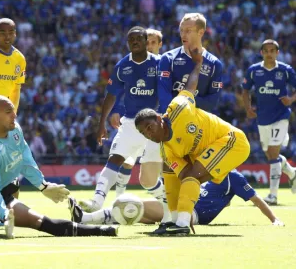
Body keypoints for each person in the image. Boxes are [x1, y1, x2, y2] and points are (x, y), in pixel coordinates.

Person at [134, 47, 250, 236]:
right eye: (143, 133)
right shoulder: (167, 150)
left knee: (192, 176)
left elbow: (190, 87)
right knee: (170, 172)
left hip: (232, 141)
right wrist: (186, 193)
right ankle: (170, 220)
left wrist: (198, 64)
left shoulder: (179, 108)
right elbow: (182, 177)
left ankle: (181, 223)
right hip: (210, 151)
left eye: (149, 127)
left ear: (159, 118)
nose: (148, 134)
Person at [79, 27, 170, 222]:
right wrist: (102, 122)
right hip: (130, 123)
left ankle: (171, 203)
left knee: (148, 179)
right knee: (115, 158)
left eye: (139, 38)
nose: (135, 42)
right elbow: (111, 95)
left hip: (155, 125)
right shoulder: (122, 66)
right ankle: (96, 201)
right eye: (132, 40)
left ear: (146, 41)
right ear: (128, 43)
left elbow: (165, 91)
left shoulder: (159, 63)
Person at [0, 95, 118, 238]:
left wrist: (43, 186)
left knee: (38, 220)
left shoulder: (15, 131)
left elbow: (25, 159)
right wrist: (4, 214)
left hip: (2, 192)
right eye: (8, 112)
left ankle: (100, 230)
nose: (15, 115)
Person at [68, 170, 284, 227]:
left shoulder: (233, 176)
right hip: (182, 206)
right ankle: (85, 220)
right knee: (130, 215)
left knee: (130, 205)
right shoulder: (208, 168)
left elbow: (256, 199)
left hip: (191, 214)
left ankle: (85, 218)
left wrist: (274, 219)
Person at [242, 39, 296, 205]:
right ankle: (293, 173)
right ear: (262, 53)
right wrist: (248, 108)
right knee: (270, 154)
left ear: (277, 53)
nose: (270, 53)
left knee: (273, 152)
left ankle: (272, 196)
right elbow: (245, 90)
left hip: (281, 116)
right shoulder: (253, 70)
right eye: (266, 50)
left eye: (273, 50)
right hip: (263, 118)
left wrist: (291, 99)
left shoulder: (285, 70)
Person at [113, 28, 163, 197]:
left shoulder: (163, 64)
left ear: (160, 44)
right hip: (135, 123)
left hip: (158, 123)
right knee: (127, 161)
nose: (149, 46)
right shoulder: (131, 65)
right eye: (147, 42)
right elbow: (121, 91)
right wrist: (116, 111)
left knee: (163, 164)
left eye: (153, 42)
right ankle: (118, 199)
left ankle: (168, 200)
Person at [0, 18, 26, 200]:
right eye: (2, 33)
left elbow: (16, 89)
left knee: (10, 162)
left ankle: (12, 209)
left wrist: (12, 114)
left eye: (11, 32)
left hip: (3, 119)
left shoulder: (19, 59)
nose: (7, 36)